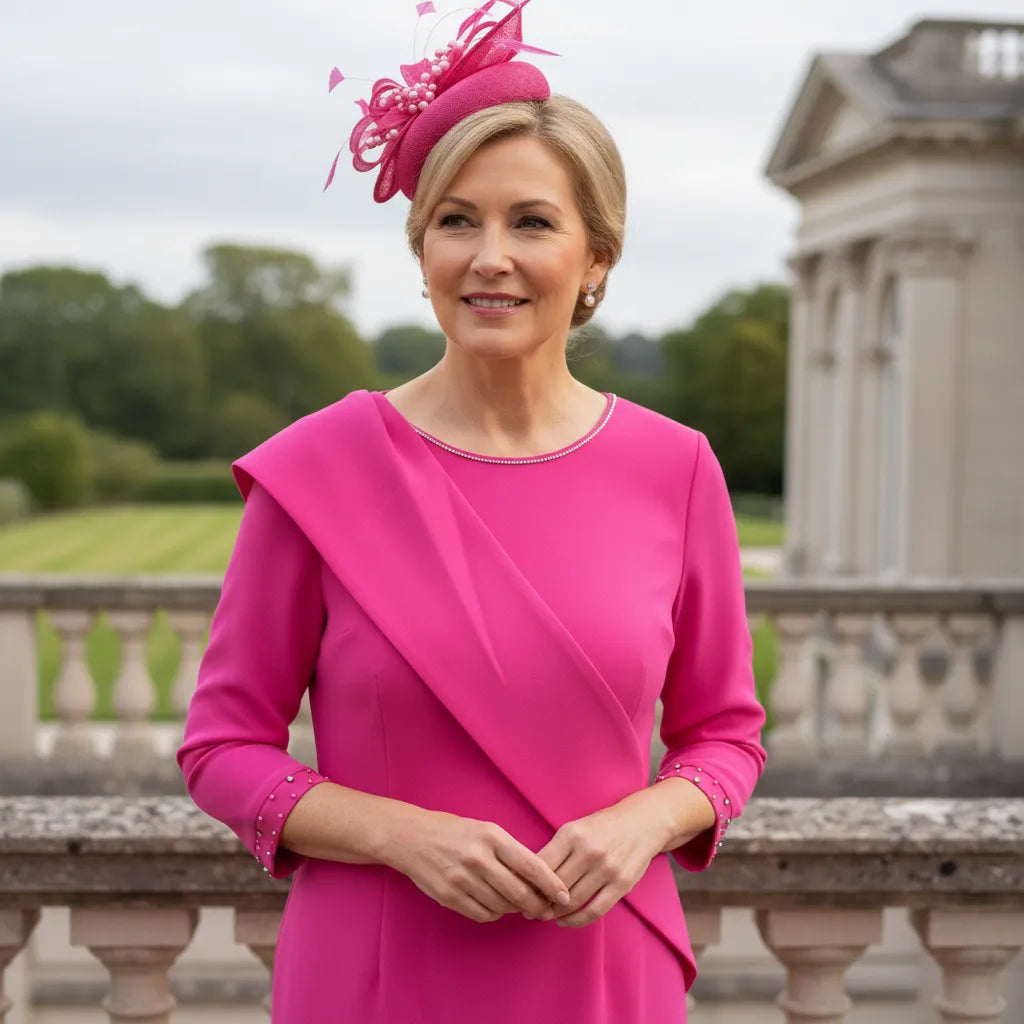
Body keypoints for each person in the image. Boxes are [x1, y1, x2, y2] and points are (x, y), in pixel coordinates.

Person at [177, 2, 766, 1021]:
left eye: (531, 221)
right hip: (370, 967)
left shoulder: (677, 467)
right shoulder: (316, 470)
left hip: (599, 965)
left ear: (594, 261)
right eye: (458, 220)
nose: (489, 256)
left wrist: (642, 822)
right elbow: (222, 750)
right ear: (422, 252)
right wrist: (402, 835)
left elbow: (726, 736)